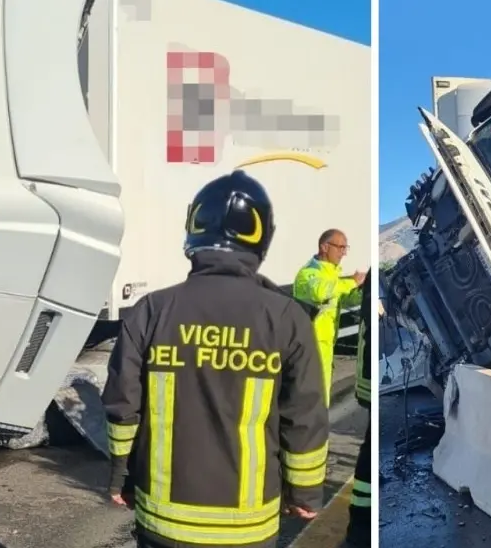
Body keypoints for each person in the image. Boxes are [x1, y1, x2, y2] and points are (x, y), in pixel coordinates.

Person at [102, 170, 331, 548]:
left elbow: (122, 408)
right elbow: (304, 415)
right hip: (248, 527)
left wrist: (120, 477)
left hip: (164, 523)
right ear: (262, 238)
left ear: (194, 230)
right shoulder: (287, 318)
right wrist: (305, 492)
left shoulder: (151, 311)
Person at [293, 229, 365, 405]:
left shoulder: (331, 274)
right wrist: (352, 281)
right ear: (324, 247)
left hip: (325, 344)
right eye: (340, 247)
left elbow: (342, 300)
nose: (343, 253)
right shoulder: (308, 273)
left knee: (321, 392)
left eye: (345, 248)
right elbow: (320, 292)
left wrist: (361, 291)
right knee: (310, 393)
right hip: (310, 344)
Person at [342, 273, 376, 548]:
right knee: (369, 451)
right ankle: (359, 532)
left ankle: (359, 530)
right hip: (369, 378)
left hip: (368, 376)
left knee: (369, 449)